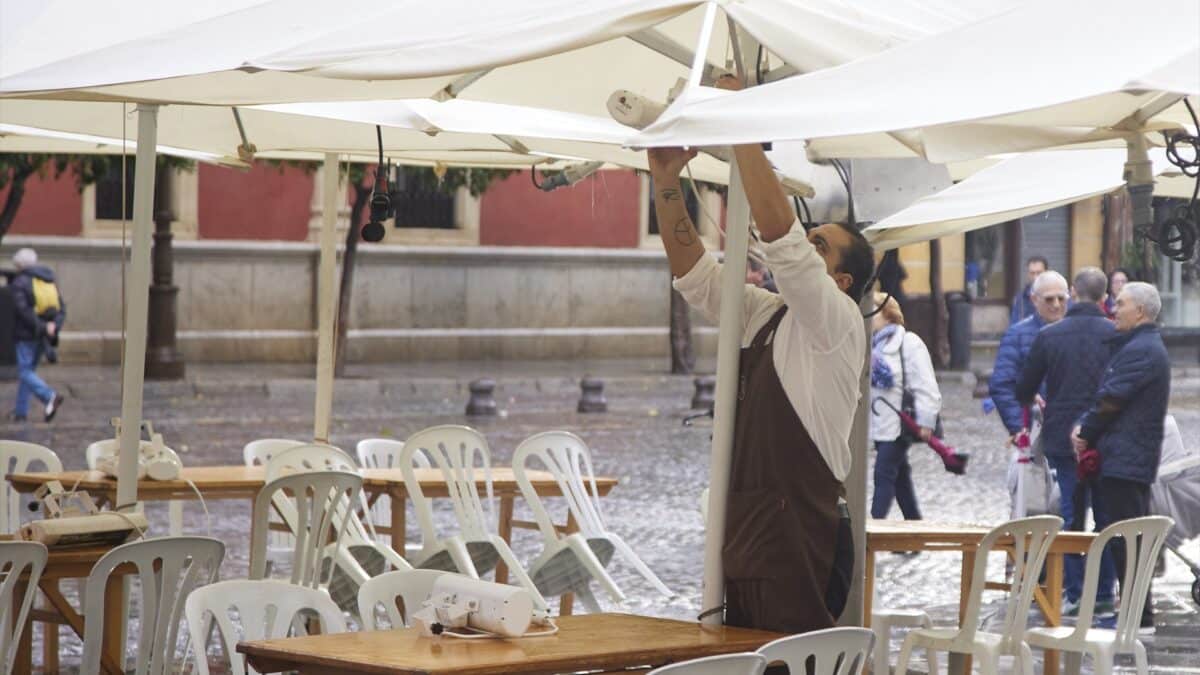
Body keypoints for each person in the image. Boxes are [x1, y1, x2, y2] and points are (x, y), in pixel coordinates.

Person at [648, 73, 874, 635]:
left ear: (841, 280)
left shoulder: (838, 321)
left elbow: (783, 244)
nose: (803, 244)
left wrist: (743, 122)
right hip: (752, 533)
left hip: (803, 534)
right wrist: (665, 181)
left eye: (818, 244)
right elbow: (695, 276)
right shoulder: (766, 313)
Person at [1015, 267, 1117, 618]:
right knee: (1106, 517)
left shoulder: (1050, 335)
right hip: (1105, 435)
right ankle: (1104, 593)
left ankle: (1075, 592)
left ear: (1073, 292)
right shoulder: (1117, 333)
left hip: (1062, 436)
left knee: (1071, 515)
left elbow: (1024, 388)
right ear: (1104, 297)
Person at [1073, 282, 1171, 633]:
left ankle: (1135, 616)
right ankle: (1135, 613)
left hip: (1127, 459)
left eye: (1122, 303)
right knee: (1126, 537)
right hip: (1127, 457)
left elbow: (1112, 399)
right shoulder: (1137, 345)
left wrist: (1084, 432)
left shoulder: (1141, 349)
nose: (1114, 307)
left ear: (1140, 312)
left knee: (1126, 539)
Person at [869, 293, 941, 522]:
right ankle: (915, 528)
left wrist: (926, 421)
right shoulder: (873, 346)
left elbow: (926, 385)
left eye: (873, 311)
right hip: (880, 423)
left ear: (887, 314)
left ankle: (869, 533)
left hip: (900, 424)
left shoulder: (909, 342)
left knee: (883, 475)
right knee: (901, 480)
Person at [990, 271, 1069, 444]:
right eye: (1049, 299)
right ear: (1034, 300)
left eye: (1061, 298)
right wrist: (1019, 427)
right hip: (1035, 431)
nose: (1056, 305)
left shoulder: (1078, 332)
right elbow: (1002, 384)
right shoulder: (1017, 334)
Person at [9, 247, 66, 422]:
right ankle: (20, 412)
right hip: (43, 336)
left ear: (19, 265)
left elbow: (23, 311)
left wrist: (40, 327)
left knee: (25, 372)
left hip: (26, 335)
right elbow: (61, 308)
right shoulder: (47, 279)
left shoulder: (20, 282)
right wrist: (52, 327)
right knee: (29, 372)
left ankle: (49, 396)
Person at [1009, 255, 1049, 325]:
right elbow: (1014, 325)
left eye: (1039, 273)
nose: (1035, 277)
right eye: (1032, 273)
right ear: (1028, 274)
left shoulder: (1058, 295)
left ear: (1047, 272)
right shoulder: (1021, 298)